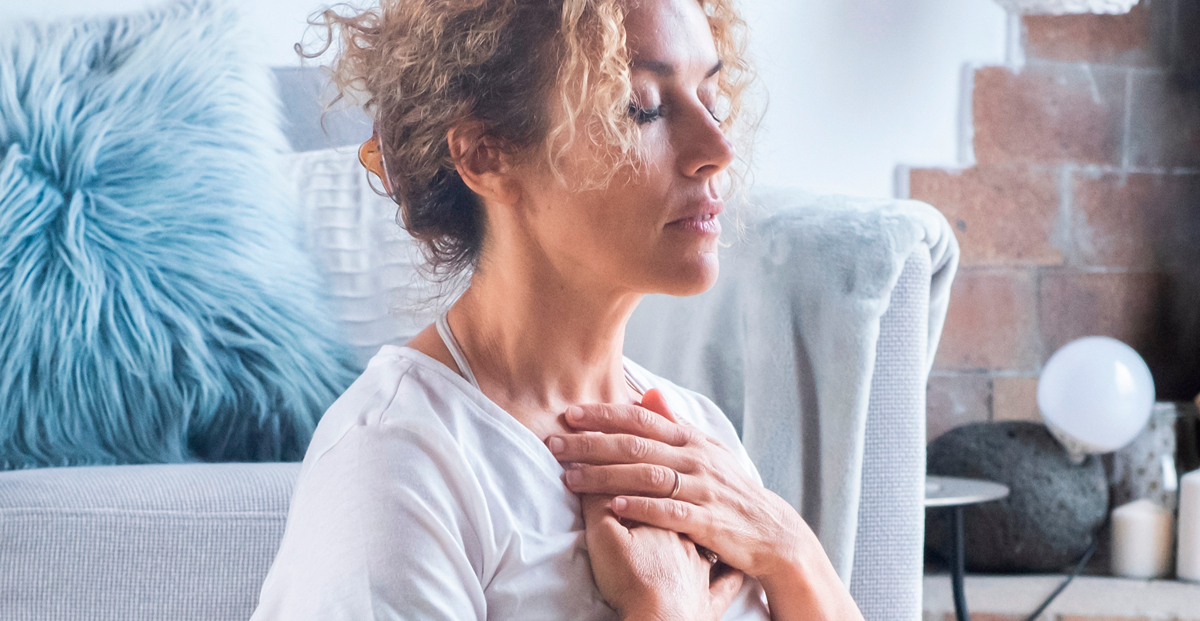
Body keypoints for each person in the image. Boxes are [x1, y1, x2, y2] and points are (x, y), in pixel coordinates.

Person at [252, 0, 865, 619]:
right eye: (641, 108)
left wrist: (790, 548)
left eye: (711, 99)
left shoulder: (698, 441)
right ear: (485, 155)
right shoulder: (396, 464)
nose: (717, 147)